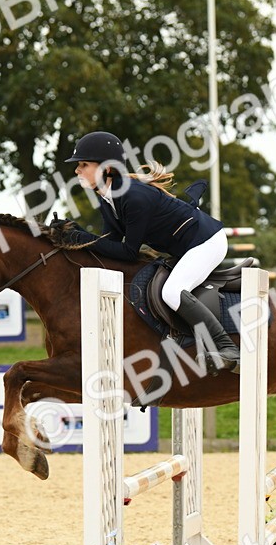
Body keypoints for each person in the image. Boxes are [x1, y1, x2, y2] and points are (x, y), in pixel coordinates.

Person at [60, 131, 239, 373]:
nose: (77, 170)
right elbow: (108, 243)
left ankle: (227, 348)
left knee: (172, 292)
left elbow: (128, 252)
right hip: (186, 246)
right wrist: (74, 234)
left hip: (206, 242)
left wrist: (83, 238)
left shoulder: (134, 197)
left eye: (83, 164)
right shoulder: (108, 198)